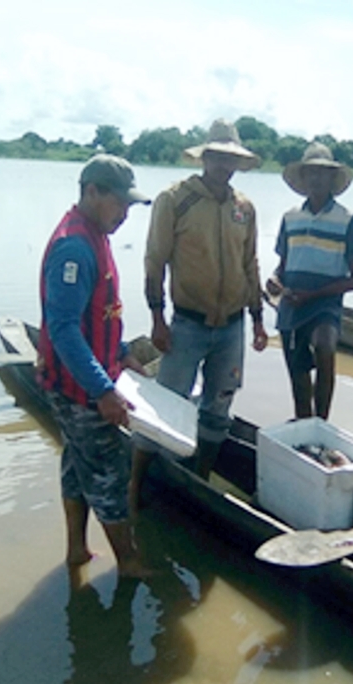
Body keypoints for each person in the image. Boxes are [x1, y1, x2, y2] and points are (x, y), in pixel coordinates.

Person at [37, 153, 151, 577]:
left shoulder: (95, 233)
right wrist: (103, 391)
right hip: (77, 387)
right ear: (91, 192)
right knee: (108, 471)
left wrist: (121, 353)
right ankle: (131, 565)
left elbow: (100, 312)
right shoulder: (73, 247)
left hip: (80, 380)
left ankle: (76, 551)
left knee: (76, 465)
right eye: (119, 203)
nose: (124, 214)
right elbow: (64, 328)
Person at [139, 119, 267, 480]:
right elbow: (155, 261)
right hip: (187, 324)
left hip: (232, 326)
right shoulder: (176, 200)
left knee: (219, 408)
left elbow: (250, 264)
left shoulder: (244, 208)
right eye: (218, 158)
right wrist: (157, 319)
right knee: (165, 404)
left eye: (231, 161)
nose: (224, 167)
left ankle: (201, 478)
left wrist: (257, 320)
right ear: (205, 157)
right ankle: (139, 482)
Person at [266, 142, 353, 419]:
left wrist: (315, 294)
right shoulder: (290, 218)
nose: (316, 179)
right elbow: (282, 267)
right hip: (292, 304)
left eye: (323, 174)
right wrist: (274, 280)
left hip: (325, 305)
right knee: (297, 376)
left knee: (325, 347)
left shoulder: (347, 220)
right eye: (311, 173)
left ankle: (321, 422)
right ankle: (303, 424)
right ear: (303, 178)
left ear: (333, 179)